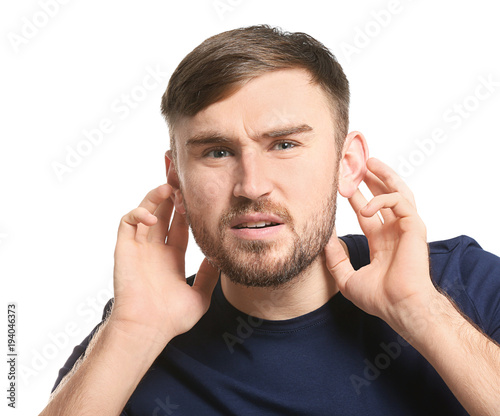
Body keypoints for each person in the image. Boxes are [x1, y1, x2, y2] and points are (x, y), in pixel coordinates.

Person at [39, 25, 500, 416]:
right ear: (175, 177)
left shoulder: (464, 282)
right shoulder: (136, 333)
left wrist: (422, 313)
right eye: (217, 152)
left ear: (347, 163)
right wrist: (133, 332)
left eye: (284, 145)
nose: (252, 185)